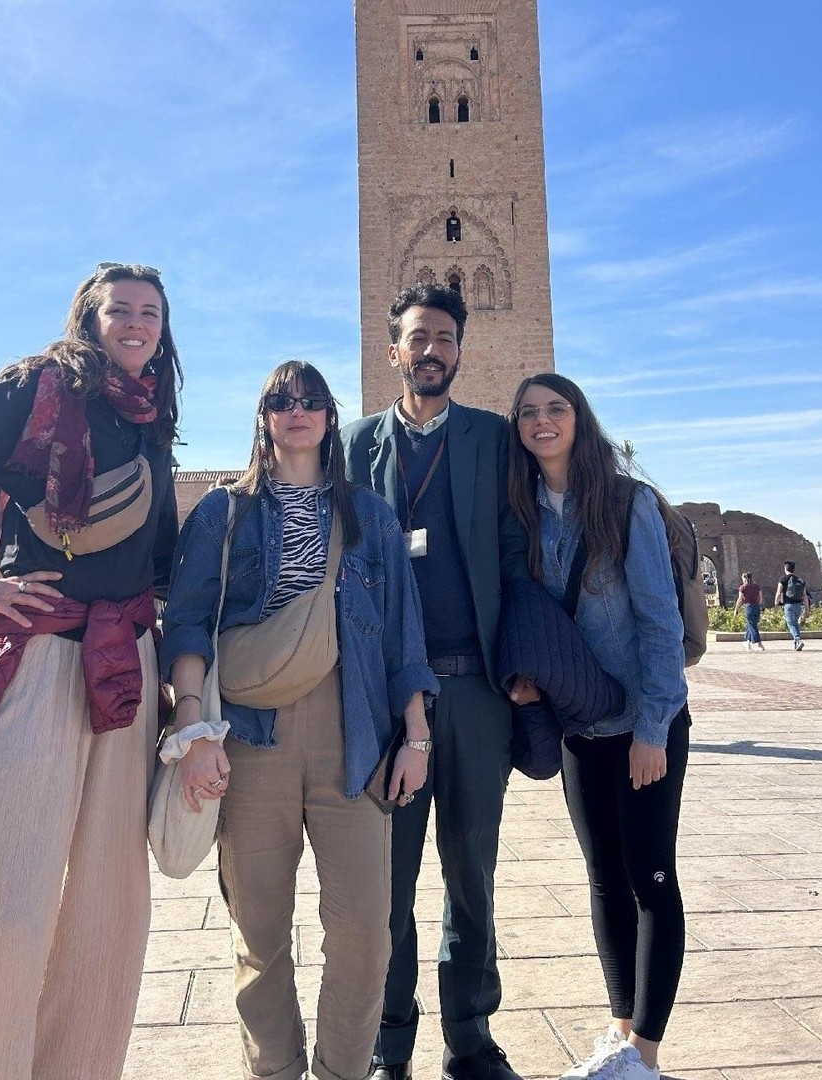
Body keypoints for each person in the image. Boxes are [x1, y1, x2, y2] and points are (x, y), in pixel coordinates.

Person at [0, 262, 182, 1080]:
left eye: (149, 313)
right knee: (10, 903)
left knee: (107, 910)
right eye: (119, 309)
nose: (135, 323)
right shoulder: (39, 388)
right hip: (44, 662)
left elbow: (156, 559)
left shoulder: (151, 417)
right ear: (89, 317)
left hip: (124, 670)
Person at [160, 361, 438, 1080]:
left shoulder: (369, 516)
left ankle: (341, 1069)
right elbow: (187, 625)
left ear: (329, 416)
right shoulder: (223, 513)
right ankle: (275, 1071)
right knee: (260, 936)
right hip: (250, 741)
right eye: (282, 401)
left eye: (312, 400)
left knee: (363, 937)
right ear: (263, 416)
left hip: (356, 735)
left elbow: (405, 635)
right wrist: (191, 733)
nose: (298, 411)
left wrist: (415, 735)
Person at [341, 283, 530, 1080]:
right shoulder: (356, 446)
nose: (432, 350)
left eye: (445, 338)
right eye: (418, 337)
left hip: (478, 691)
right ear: (394, 351)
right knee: (389, 883)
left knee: (471, 874)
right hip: (390, 702)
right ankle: (390, 1043)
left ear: (461, 350)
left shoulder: (492, 439)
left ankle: (471, 1039)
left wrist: (525, 663)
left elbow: (518, 553)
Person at [505, 373, 689, 1080]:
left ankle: (645, 1052)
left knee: (650, 879)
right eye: (529, 414)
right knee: (605, 880)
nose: (543, 422)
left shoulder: (625, 503)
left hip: (644, 725)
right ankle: (621, 1039)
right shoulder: (524, 513)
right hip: (583, 725)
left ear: (579, 420)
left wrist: (653, 728)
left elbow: (659, 622)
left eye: (556, 410)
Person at [774, 561, 810, 651]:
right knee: (795, 624)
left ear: (785, 568)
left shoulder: (783, 579)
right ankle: (796, 644)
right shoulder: (800, 580)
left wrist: (776, 605)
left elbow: (778, 593)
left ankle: (798, 640)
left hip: (788, 605)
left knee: (791, 624)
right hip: (799, 605)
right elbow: (805, 596)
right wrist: (807, 609)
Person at [734, 571, 764, 651]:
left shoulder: (743, 587)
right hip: (757, 606)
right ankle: (747, 642)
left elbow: (740, 599)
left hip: (749, 607)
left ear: (744, 578)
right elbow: (761, 598)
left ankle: (758, 644)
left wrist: (736, 609)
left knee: (752, 626)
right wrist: (758, 604)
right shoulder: (757, 586)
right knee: (751, 624)